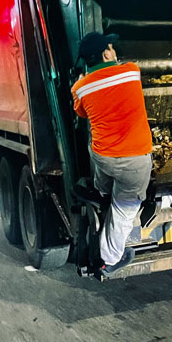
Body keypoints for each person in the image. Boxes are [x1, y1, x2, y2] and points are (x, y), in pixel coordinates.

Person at [71, 32, 153, 275]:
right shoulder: (131, 71)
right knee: (124, 210)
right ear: (107, 53)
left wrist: (83, 80)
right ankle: (108, 259)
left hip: (103, 158)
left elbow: (82, 114)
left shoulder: (80, 88)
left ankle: (101, 190)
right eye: (112, 47)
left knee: (96, 139)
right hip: (134, 160)